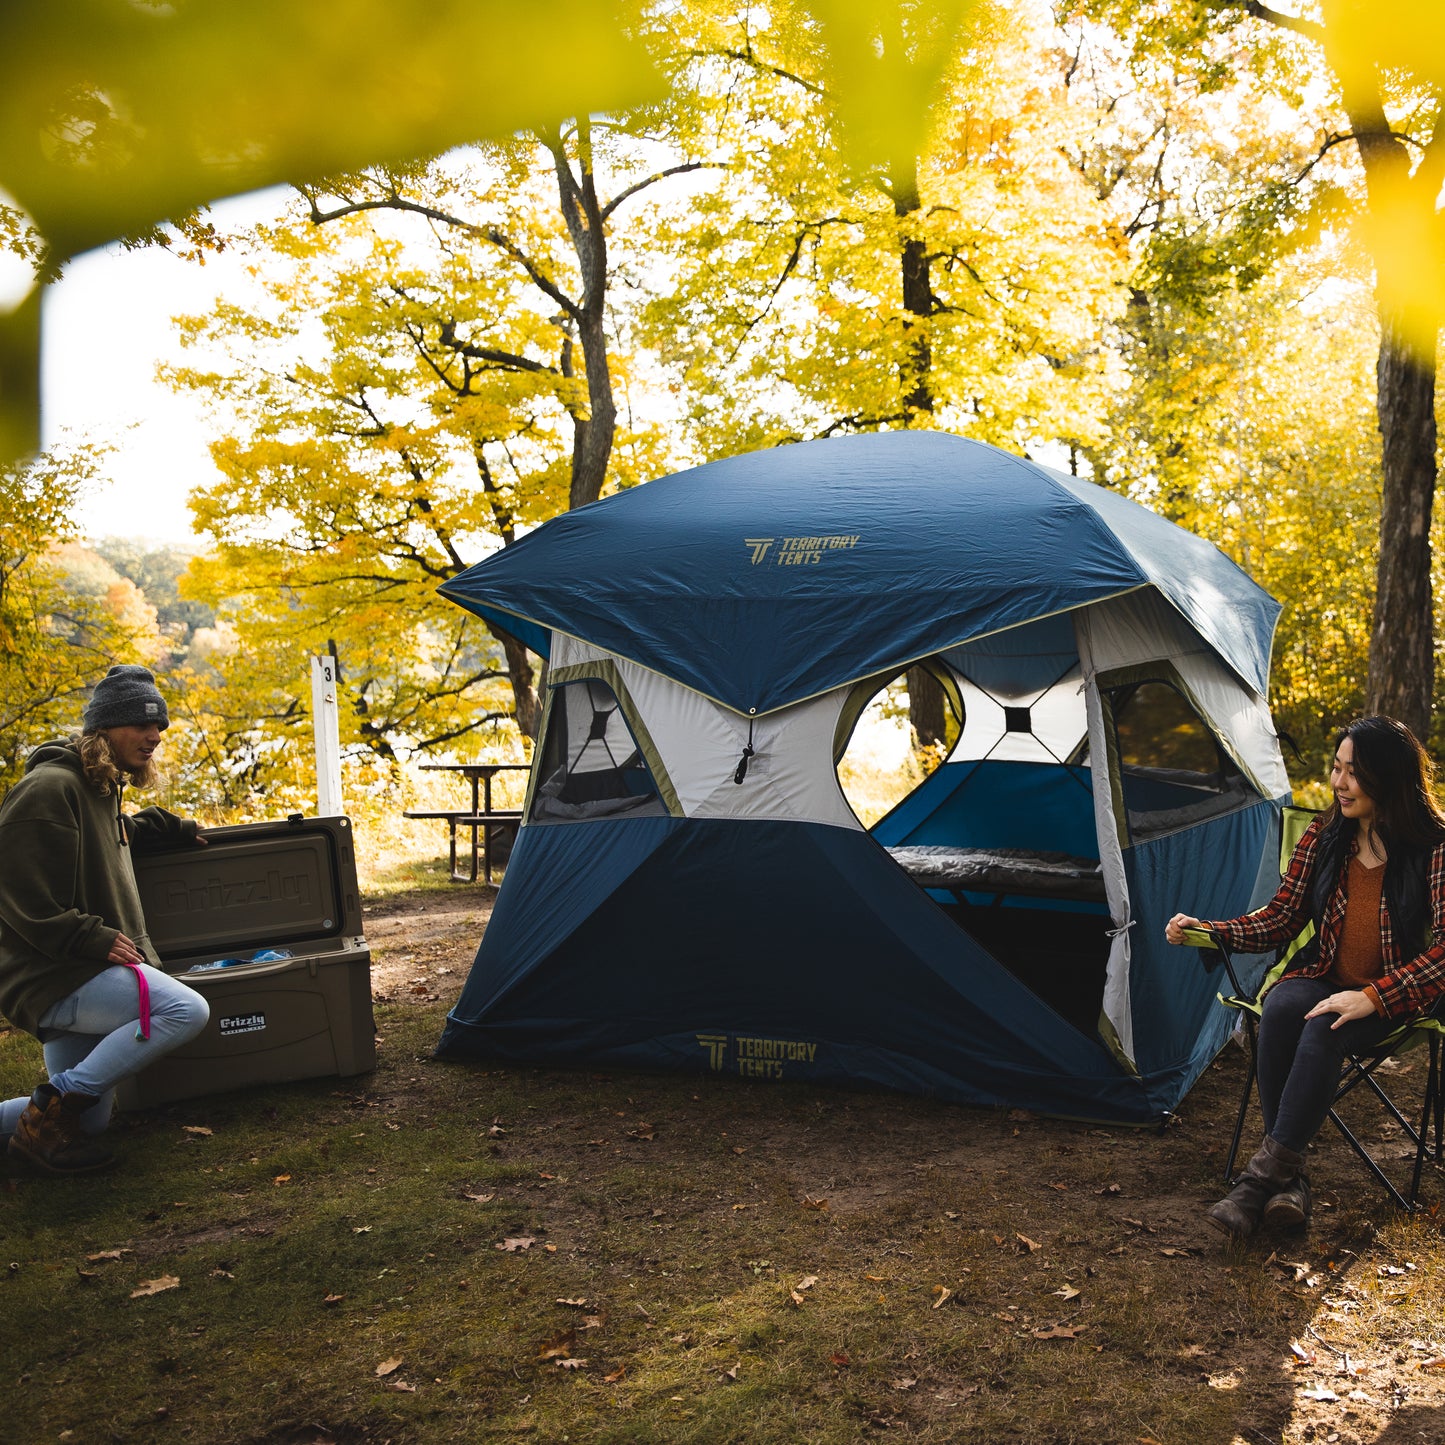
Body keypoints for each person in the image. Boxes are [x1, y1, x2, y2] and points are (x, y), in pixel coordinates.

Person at [1165, 715, 1445, 1237]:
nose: (1338, 783)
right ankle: (1289, 1180)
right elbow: (1281, 918)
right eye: (1336, 769)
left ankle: (1257, 1184)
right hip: (1324, 974)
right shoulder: (1326, 834)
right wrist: (1211, 930)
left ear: (1388, 777)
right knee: (1284, 1005)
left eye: (1353, 773)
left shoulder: (1435, 846)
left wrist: (1373, 997)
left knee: (1324, 1025)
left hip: (1400, 997)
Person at [0, 665, 211, 1173]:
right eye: (142, 725)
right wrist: (88, 936)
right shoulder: (50, 787)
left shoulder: (98, 789)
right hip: (53, 973)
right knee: (186, 1011)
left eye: (159, 726)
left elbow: (109, 839)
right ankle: (55, 1105)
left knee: (91, 1121)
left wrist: (160, 826)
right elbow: (15, 886)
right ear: (106, 727)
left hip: (76, 970)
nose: (155, 736)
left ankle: (44, 1120)